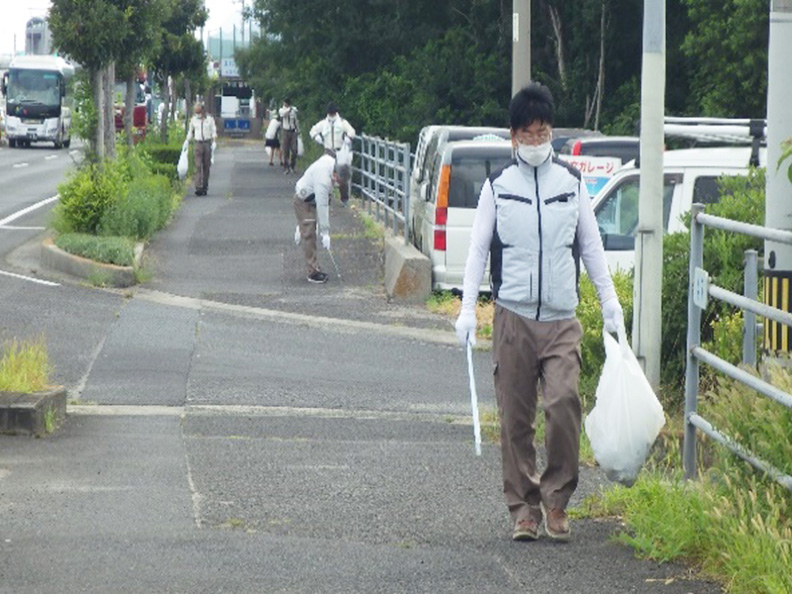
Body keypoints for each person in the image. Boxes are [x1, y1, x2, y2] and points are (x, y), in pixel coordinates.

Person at [454, 82, 624, 543]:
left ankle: (556, 499)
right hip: (511, 317)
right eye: (527, 134)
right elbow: (475, 253)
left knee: (565, 403)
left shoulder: (571, 185)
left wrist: (610, 302)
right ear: (512, 137)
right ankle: (523, 508)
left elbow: (590, 246)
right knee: (515, 417)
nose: (535, 142)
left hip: (561, 318)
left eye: (542, 132)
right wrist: (468, 310)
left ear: (552, 133)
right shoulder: (497, 186)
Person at [293, 151, 352, 283]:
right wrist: (325, 232)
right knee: (309, 233)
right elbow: (322, 206)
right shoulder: (323, 180)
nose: (338, 183)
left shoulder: (333, 163)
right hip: (304, 200)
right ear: (334, 173)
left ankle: (300, 226)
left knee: (310, 226)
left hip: (314, 197)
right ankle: (312, 272)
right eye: (338, 180)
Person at [186, 102, 217, 196]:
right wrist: (187, 141)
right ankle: (198, 187)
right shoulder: (193, 120)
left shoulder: (210, 119)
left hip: (207, 143)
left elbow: (213, 131)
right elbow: (190, 132)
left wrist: (214, 140)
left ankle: (204, 186)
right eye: (196, 112)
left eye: (199, 112)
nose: (197, 114)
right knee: (198, 165)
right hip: (197, 143)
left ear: (203, 111)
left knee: (206, 166)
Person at [279, 98, 300, 174]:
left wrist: (298, 129)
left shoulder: (294, 110)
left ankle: (292, 166)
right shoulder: (281, 110)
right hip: (285, 131)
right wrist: (289, 109)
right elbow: (283, 114)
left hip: (293, 131)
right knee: (285, 150)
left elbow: (296, 120)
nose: (285, 104)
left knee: (294, 150)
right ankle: (286, 167)